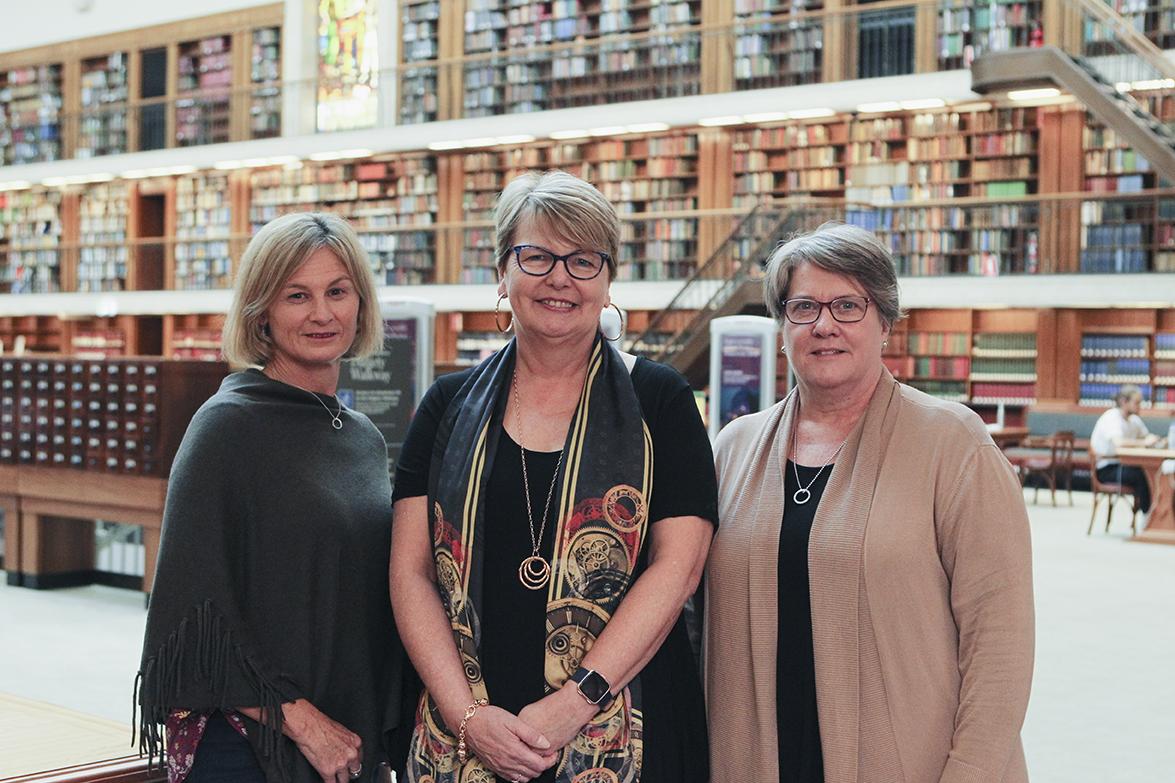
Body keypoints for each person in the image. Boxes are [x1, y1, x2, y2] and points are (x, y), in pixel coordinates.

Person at [390, 170, 716, 783]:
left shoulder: (662, 401)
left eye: (583, 260)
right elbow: (410, 573)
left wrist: (572, 706)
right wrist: (469, 718)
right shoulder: (444, 405)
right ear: (502, 272)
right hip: (467, 730)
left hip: (626, 722)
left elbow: (680, 570)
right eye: (537, 256)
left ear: (608, 278)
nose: (560, 278)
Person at [704, 222, 1034, 783]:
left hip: (914, 760)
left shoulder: (953, 442)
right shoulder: (733, 447)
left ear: (885, 321)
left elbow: (1000, 642)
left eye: (848, 306)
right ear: (783, 325)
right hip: (756, 759)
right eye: (803, 306)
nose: (824, 324)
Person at [137, 212, 404, 783]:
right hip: (251, 749)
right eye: (296, 295)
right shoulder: (227, 426)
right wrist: (301, 721)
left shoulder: (362, 437)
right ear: (262, 311)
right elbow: (192, 616)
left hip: (349, 743)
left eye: (338, 291)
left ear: (361, 303)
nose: (322, 313)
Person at [1090, 384, 1159, 513]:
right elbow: (1119, 443)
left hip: (1125, 465)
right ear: (1124, 401)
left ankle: (1159, 517)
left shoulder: (1134, 420)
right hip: (1107, 469)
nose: (1139, 406)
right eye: (1137, 402)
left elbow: (1146, 436)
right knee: (1144, 475)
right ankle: (1148, 517)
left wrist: (1156, 440)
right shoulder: (1111, 417)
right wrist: (1144, 442)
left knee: (1155, 473)